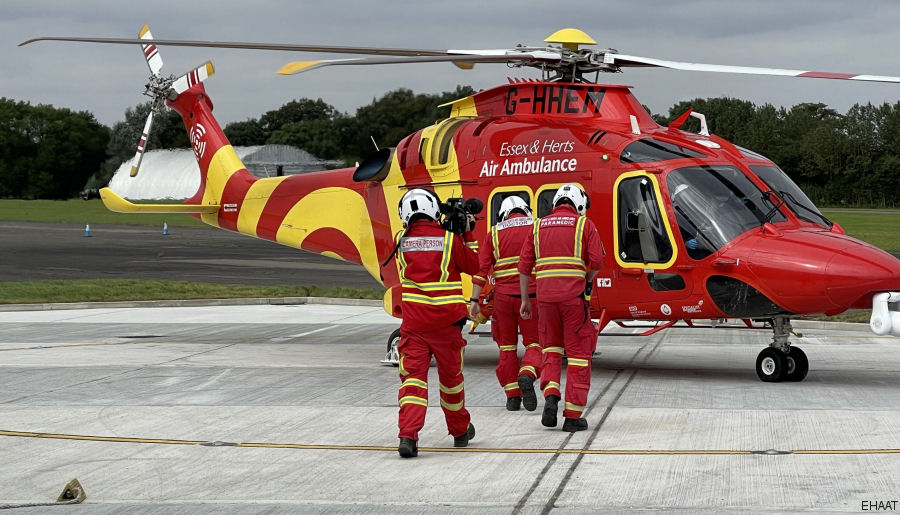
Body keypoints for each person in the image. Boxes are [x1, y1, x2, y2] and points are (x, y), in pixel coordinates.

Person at [392, 188, 480, 458]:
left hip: (414, 326)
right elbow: (474, 265)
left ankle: (408, 436)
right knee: (451, 382)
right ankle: (460, 431)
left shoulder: (400, 240)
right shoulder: (450, 240)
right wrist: (468, 232)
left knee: (413, 383)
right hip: (447, 325)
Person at [518, 183, 604, 433]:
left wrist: (526, 300)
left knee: (551, 350)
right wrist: (587, 278)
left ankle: (551, 395)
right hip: (573, 301)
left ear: (555, 203)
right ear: (578, 205)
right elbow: (598, 260)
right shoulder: (583, 225)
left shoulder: (536, 226)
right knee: (577, 355)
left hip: (545, 300)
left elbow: (524, 267)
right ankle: (573, 416)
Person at [469, 195, 542, 412]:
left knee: (507, 348)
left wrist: (474, 301)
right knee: (535, 344)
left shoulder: (494, 233)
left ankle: (512, 398)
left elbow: (480, 270)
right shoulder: (536, 226)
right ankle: (527, 374)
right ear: (525, 210)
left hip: (502, 300)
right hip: (531, 296)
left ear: (504, 214)